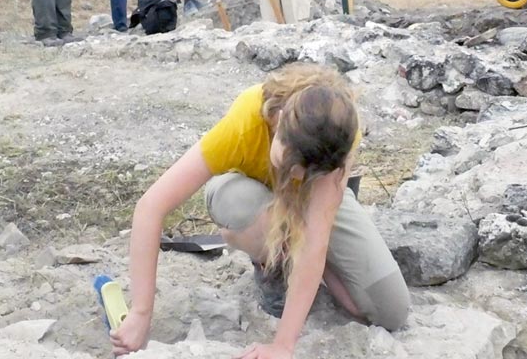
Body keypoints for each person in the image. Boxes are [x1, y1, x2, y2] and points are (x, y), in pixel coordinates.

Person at [111, 63, 410, 359]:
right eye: (290, 165)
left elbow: (316, 239)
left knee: (389, 310)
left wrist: (283, 346)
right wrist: (140, 312)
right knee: (242, 207)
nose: (294, 176)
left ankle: (305, 262)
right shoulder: (248, 117)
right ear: (277, 122)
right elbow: (151, 207)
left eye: (304, 171)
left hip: (313, 203)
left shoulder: (339, 131)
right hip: (249, 195)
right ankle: (274, 266)